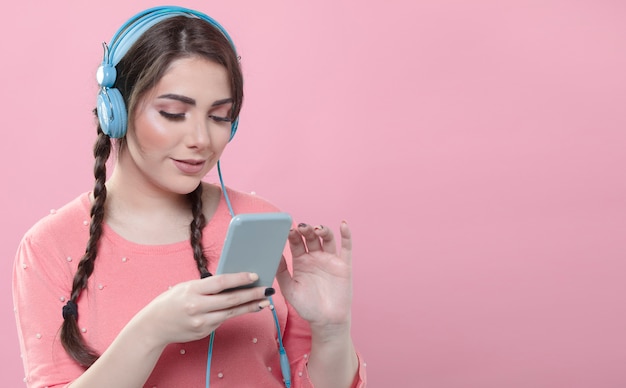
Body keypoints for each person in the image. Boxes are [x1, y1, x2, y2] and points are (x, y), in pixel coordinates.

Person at [12, 6, 366, 388]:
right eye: (174, 112)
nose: (201, 138)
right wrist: (151, 331)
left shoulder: (260, 223)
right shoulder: (48, 246)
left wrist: (332, 330)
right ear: (115, 111)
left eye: (219, 116)